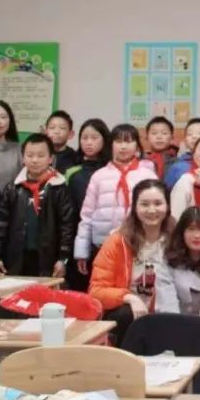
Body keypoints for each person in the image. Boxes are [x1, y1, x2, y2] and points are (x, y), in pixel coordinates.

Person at [89, 179, 178, 339]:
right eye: (144, 204)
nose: (152, 210)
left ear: (168, 206)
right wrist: (129, 298)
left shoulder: (179, 239)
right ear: (135, 207)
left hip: (169, 311)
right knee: (125, 314)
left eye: (158, 203)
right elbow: (96, 291)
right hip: (131, 316)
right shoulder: (118, 241)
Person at [74, 124, 159, 278]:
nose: (123, 146)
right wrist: (81, 251)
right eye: (118, 141)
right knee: (105, 288)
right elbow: (86, 215)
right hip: (103, 246)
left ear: (137, 146)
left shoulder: (148, 176)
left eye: (128, 141)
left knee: (137, 288)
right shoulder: (99, 176)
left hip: (140, 246)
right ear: (110, 145)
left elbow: (158, 214)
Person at [0, 134, 75, 277]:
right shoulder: (13, 187)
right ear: (23, 158)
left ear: (50, 158)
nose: (35, 160)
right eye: (30, 155)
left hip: (49, 258)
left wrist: (63, 258)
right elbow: (1, 223)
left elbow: (67, 226)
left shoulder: (59, 188)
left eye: (41, 155)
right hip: (17, 256)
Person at [63, 118, 111, 291]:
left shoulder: (110, 170)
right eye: (84, 138)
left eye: (94, 138)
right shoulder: (72, 172)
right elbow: (67, 213)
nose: (89, 142)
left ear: (105, 140)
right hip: (78, 238)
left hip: (105, 239)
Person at [165, 206, 200, 315]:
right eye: (191, 229)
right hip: (178, 322)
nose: (197, 235)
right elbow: (167, 307)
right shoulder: (167, 264)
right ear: (182, 233)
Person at [164, 118, 200, 191]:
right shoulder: (177, 166)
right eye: (190, 134)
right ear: (185, 140)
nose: (194, 137)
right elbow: (166, 189)